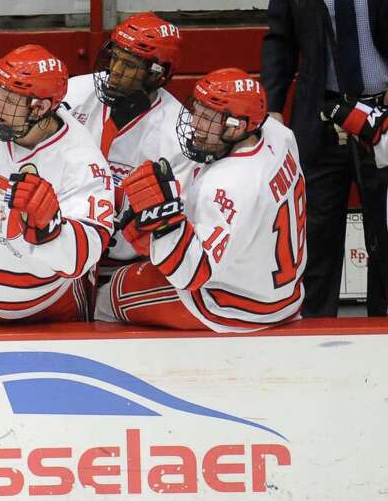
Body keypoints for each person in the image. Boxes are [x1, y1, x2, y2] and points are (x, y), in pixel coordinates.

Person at [262, 0, 388, 317]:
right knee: (314, 237)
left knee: (385, 234)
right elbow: (279, 37)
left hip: (385, 117)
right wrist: (272, 106)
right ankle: (313, 333)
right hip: (320, 118)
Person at [96, 69, 307, 333]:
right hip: (285, 293)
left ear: (238, 126)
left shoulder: (226, 184)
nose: (195, 123)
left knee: (110, 294)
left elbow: (192, 274)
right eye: (197, 110)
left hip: (231, 307)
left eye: (208, 118)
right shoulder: (279, 134)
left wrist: (163, 226)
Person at [0, 44, 114, 324]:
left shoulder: (82, 160)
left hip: (45, 307)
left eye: (11, 99)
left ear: (42, 108)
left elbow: (88, 250)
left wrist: (51, 228)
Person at [64, 12, 191, 272]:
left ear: (157, 74)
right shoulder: (75, 94)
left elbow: (173, 226)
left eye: (129, 65)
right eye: (115, 58)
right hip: (65, 247)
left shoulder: (177, 134)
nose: (115, 71)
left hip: (127, 265)